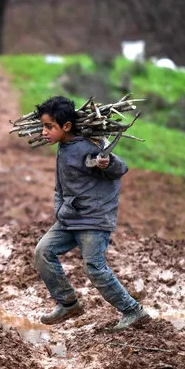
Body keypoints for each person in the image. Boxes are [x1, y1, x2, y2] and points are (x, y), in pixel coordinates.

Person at [32, 95, 151, 332]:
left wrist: (108, 163)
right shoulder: (64, 146)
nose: (44, 132)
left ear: (66, 126)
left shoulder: (89, 146)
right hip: (69, 217)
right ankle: (68, 304)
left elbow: (120, 168)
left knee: (94, 267)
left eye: (49, 127)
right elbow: (60, 186)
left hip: (93, 219)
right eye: (43, 126)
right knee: (43, 251)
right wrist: (59, 208)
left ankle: (132, 310)